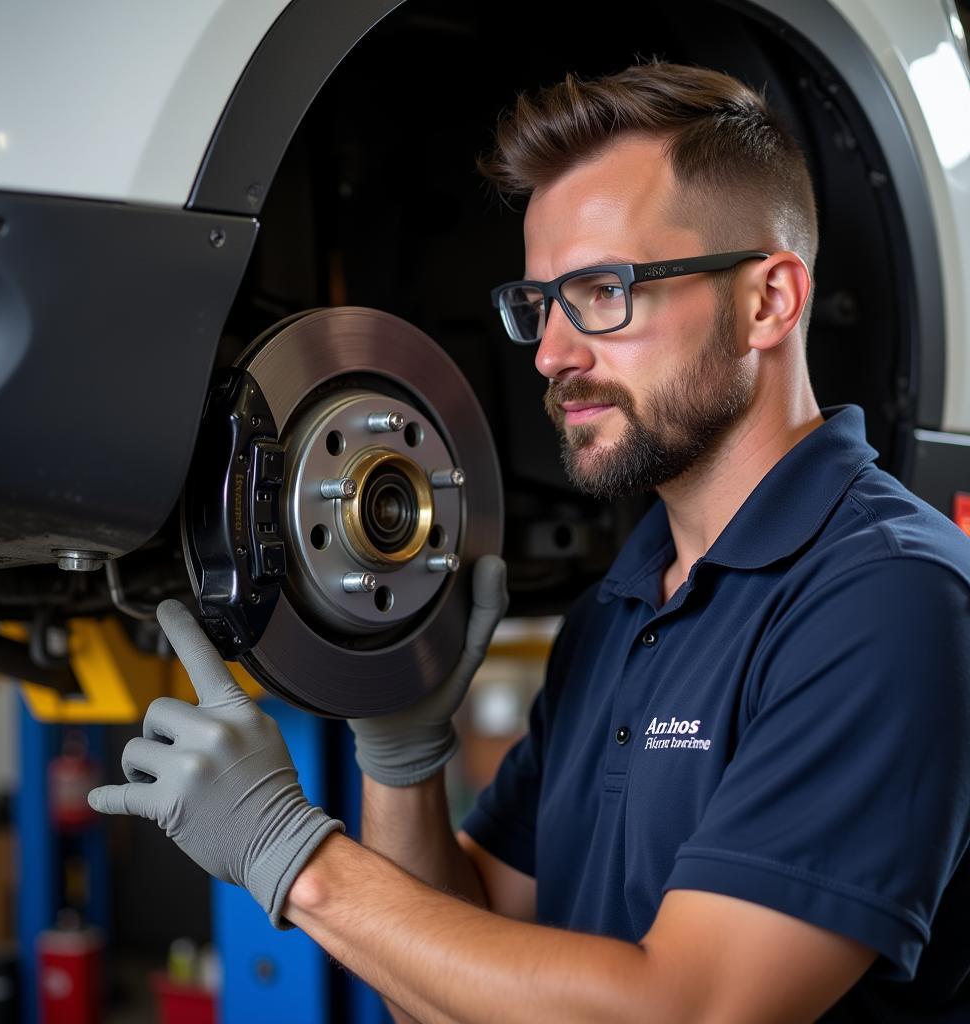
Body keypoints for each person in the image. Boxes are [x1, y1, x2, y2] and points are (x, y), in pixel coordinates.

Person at [90, 61, 970, 1022]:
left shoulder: (889, 601)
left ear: (769, 301)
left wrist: (290, 858)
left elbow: (691, 1011)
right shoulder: (620, 612)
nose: (551, 353)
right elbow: (450, 984)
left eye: (601, 289)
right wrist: (402, 757)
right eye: (539, 303)